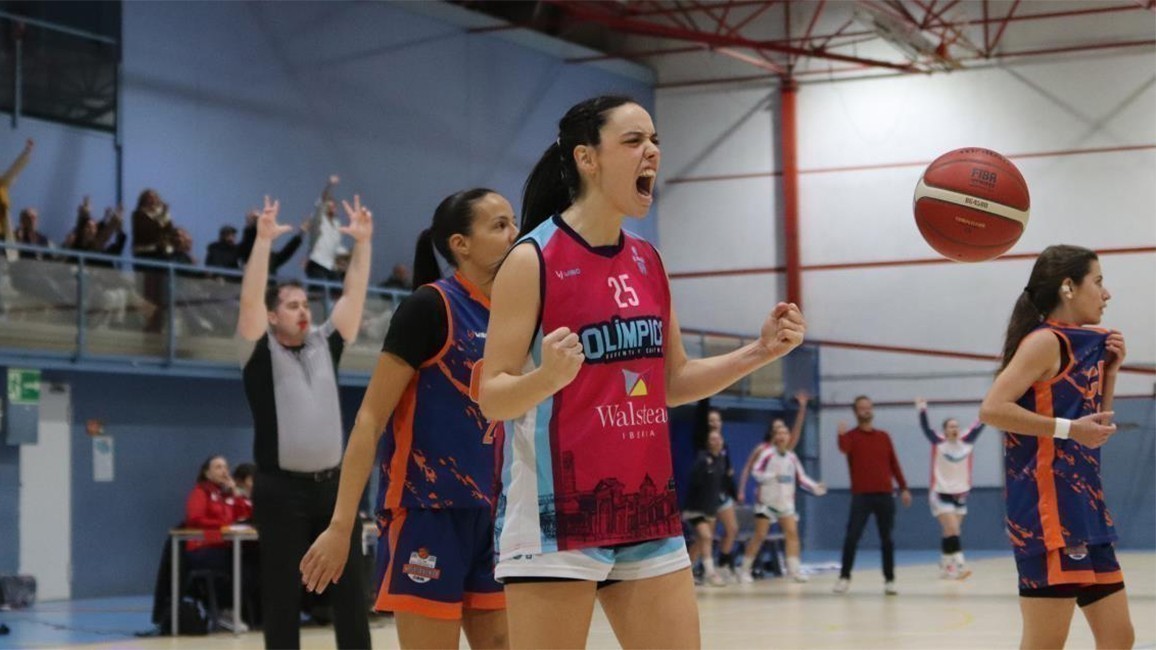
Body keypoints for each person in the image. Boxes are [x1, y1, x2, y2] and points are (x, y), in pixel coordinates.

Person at [478, 95, 806, 648]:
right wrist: (545, 380)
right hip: (557, 521)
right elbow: (492, 397)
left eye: (654, 141)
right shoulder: (533, 259)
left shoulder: (648, 260)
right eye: (633, 141)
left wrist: (759, 353)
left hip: (645, 512)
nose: (651, 151)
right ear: (587, 158)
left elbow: (673, 383)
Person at [301, 188, 517, 649]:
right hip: (427, 512)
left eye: (514, 222)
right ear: (461, 244)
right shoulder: (429, 307)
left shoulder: (514, 314)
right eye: (499, 225)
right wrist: (341, 526)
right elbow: (369, 420)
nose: (514, 234)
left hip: (493, 514)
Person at [236, 194, 373, 649]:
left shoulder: (324, 343)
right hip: (280, 492)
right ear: (273, 316)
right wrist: (261, 242)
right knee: (282, 594)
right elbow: (251, 298)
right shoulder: (259, 351)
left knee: (352, 591)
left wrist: (364, 243)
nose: (302, 309)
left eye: (304, 303)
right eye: (291, 304)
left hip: (334, 489)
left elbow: (353, 295)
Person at [978, 245, 1132, 650]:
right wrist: (1067, 429)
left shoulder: (1085, 343)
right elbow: (992, 410)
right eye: (1098, 282)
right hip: (1049, 516)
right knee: (1046, 643)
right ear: (1068, 287)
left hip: (1085, 510)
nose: (1106, 293)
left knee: (1119, 638)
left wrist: (1111, 374)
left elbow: (1093, 426)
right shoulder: (1044, 341)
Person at [738, 395, 823, 584]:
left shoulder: (791, 456)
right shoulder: (765, 452)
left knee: (792, 534)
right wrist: (769, 478)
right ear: (774, 435)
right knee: (760, 535)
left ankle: (794, 570)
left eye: (784, 431)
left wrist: (815, 487)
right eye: (778, 431)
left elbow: (801, 478)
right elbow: (755, 472)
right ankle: (744, 570)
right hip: (766, 503)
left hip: (785, 503)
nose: (782, 435)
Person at [833, 396, 911, 595]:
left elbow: (894, 463)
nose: (866, 411)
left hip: (885, 495)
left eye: (868, 407)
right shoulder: (850, 436)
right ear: (856, 412)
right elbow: (844, 449)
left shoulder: (883, 437)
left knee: (887, 539)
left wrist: (903, 487)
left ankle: (890, 580)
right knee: (852, 537)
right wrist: (840, 435)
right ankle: (844, 577)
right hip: (861, 496)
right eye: (862, 408)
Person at [184, 455, 256, 632]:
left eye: (225, 467)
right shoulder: (200, 492)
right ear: (207, 473)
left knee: (251, 564)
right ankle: (224, 610)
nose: (224, 471)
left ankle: (247, 612)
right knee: (233, 565)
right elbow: (195, 519)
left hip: (225, 546)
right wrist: (224, 527)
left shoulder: (225, 495)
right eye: (218, 467)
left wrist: (235, 494)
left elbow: (245, 514)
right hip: (203, 548)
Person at [915, 397, 985, 579]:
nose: (954, 429)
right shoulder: (938, 443)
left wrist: (991, 403)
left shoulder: (967, 442)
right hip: (940, 493)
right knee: (954, 530)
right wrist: (922, 409)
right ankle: (960, 565)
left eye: (956, 426)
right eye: (950, 426)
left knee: (949, 532)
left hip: (960, 495)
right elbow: (925, 428)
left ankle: (945, 565)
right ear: (944, 431)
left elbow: (982, 422)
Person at [737, 391, 809, 503]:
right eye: (777, 430)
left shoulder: (786, 449)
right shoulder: (762, 448)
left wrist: (802, 408)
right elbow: (747, 469)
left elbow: (797, 431)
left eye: (782, 429)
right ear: (772, 432)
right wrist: (741, 490)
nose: (780, 433)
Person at [682, 429, 730, 588]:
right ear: (708, 443)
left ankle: (684, 574)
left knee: (699, 542)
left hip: (710, 508)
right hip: (695, 508)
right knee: (706, 537)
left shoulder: (721, 459)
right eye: (713, 439)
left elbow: (723, 483)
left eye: (718, 439)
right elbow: (694, 482)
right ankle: (711, 573)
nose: (716, 442)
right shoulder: (703, 459)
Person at [703, 408, 740, 581]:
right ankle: (706, 570)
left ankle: (723, 563)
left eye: (717, 420)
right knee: (706, 536)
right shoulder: (702, 445)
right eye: (711, 420)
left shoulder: (723, 445)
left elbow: (728, 470)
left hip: (723, 495)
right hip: (708, 497)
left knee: (732, 529)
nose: (714, 423)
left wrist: (733, 490)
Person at [305, 175, 349, 282]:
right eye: (329, 206)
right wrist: (329, 185)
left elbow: (336, 246)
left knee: (338, 291)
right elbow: (321, 203)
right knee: (321, 292)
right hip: (317, 262)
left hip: (330, 265)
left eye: (334, 206)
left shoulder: (337, 223)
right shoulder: (318, 219)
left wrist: (350, 254)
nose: (332, 208)